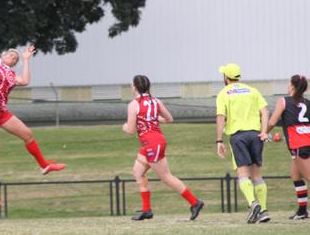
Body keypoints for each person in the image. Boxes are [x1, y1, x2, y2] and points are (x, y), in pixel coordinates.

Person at [0, 9, 65, 206]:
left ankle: (44, 166)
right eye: (11, 54)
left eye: (15, 58)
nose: (13, 57)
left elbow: (25, 80)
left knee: (28, 134)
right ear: (4, 55)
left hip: (1, 112)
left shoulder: (11, 75)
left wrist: (25, 59)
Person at [122, 75, 204, 221]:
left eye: (131, 84)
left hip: (151, 143)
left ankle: (195, 202)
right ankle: (146, 210)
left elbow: (131, 130)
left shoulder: (133, 105)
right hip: (155, 140)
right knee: (138, 172)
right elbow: (169, 119)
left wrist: (124, 127)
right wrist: (155, 119)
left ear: (134, 87)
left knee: (166, 177)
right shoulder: (156, 101)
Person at [215, 63, 270, 224]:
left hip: (238, 136)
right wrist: (264, 131)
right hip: (255, 135)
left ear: (226, 77)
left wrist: (219, 140)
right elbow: (265, 110)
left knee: (242, 174)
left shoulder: (224, 93)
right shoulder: (252, 90)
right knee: (257, 175)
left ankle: (253, 204)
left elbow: (220, 117)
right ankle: (264, 211)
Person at [266, 74, 310, 219]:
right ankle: (302, 211)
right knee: (296, 176)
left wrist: (263, 133)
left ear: (292, 86)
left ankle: (303, 212)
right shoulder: (307, 102)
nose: (287, 85)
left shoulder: (283, 101)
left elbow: (272, 122)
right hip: (306, 141)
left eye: (288, 83)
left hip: (299, 144)